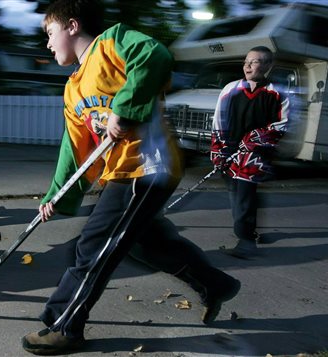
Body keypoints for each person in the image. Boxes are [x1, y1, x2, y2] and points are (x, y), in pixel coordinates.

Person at [21, 1, 240, 354]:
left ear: (72, 26)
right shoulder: (73, 88)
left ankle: (64, 325)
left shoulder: (113, 43)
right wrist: (56, 195)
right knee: (145, 243)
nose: (47, 43)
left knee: (93, 246)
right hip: (119, 172)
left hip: (147, 166)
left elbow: (154, 57)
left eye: (50, 33)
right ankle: (214, 284)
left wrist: (123, 111)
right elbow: (75, 150)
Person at [211, 46, 289, 259]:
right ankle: (247, 231)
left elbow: (281, 124)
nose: (247, 65)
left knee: (245, 195)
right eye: (246, 61)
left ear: (267, 66)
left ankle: (246, 242)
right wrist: (218, 150)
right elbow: (219, 120)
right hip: (229, 151)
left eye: (254, 61)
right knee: (235, 194)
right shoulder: (230, 89)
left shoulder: (277, 93)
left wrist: (255, 139)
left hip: (255, 155)